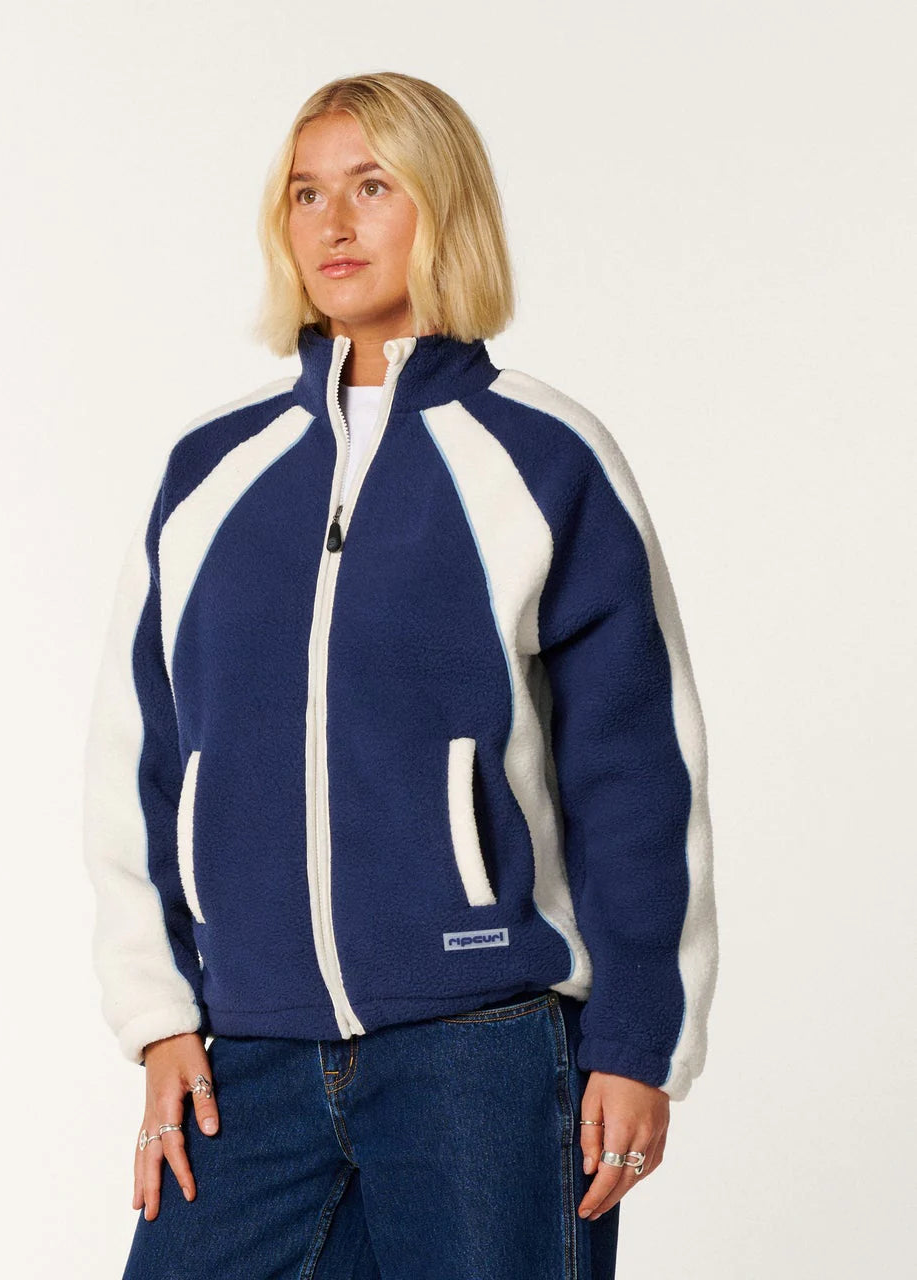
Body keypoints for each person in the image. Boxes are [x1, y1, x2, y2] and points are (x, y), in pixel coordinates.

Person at [82, 70, 718, 1280]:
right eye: (307, 192)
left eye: (373, 186)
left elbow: (637, 773)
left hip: (485, 1050)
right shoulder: (209, 474)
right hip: (246, 1050)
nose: (333, 222)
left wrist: (639, 1041)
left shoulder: (545, 455)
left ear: (444, 205)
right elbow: (139, 761)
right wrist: (160, 1017)